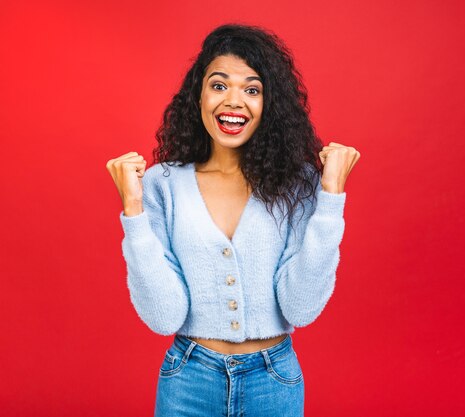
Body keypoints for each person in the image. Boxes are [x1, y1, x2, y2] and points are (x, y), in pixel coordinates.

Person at [106, 23, 360, 417]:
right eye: (219, 85)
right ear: (199, 96)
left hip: (272, 381)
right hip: (188, 378)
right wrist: (134, 212)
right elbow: (163, 316)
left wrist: (330, 199)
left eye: (252, 89)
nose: (234, 101)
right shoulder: (162, 185)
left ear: (269, 104)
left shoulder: (298, 185)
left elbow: (301, 308)